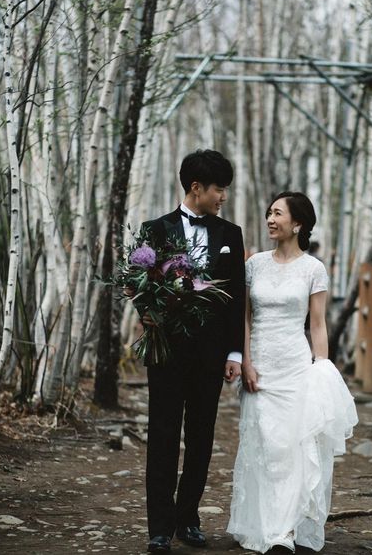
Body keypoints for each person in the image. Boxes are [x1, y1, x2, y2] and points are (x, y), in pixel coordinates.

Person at [227, 191, 358, 553]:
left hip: (296, 367)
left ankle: (284, 530)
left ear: (297, 223)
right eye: (269, 213)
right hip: (260, 366)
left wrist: (321, 369)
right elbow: (245, 318)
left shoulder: (313, 269)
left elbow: (317, 325)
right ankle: (264, 524)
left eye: (278, 214)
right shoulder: (254, 264)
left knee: (292, 448)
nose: (270, 219)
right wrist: (246, 361)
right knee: (263, 447)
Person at [135, 150, 245, 552]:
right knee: (162, 435)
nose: (223, 197)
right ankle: (159, 528)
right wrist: (148, 313)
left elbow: (236, 297)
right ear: (196, 188)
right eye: (219, 189)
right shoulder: (154, 230)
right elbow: (139, 285)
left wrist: (235, 353)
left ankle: (188, 519)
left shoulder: (231, 234)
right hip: (166, 350)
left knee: (201, 437)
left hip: (211, 354)